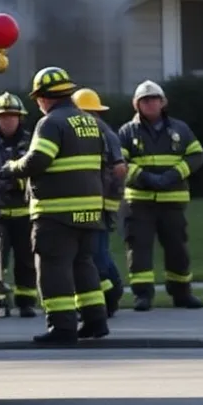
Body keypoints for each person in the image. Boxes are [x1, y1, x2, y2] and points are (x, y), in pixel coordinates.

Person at [2, 67, 109, 345]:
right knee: (83, 264)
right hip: (87, 211)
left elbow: (38, 160)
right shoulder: (89, 121)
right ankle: (95, 321)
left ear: (44, 98)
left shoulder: (50, 123)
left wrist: (11, 167)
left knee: (53, 269)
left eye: (38, 99)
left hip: (56, 213)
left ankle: (62, 328)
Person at [117, 80, 203, 311]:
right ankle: (142, 296)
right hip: (139, 202)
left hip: (172, 202)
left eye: (154, 99)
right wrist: (144, 178)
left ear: (163, 102)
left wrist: (173, 175)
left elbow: (196, 156)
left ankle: (182, 294)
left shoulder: (180, 129)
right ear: (136, 104)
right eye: (144, 100)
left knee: (177, 249)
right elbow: (119, 162)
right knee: (139, 249)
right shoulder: (127, 131)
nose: (150, 103)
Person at [71, 88, 127, 317]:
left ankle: (112, 293)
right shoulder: (97, 133)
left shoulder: (103, 135)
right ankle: (108, 295)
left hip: (99, 204)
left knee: (97, 254)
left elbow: (119, 170)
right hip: (95, 203)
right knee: (94, 252)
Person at [0, 92, 38, 318]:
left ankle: (26, 302)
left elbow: (29, 175)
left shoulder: (30, 142)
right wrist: (7, 177)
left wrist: (5, 177)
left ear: (20, 118)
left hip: (24, 213)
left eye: (12, 116)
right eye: (3, 117)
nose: (8, 120)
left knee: (26, 260)